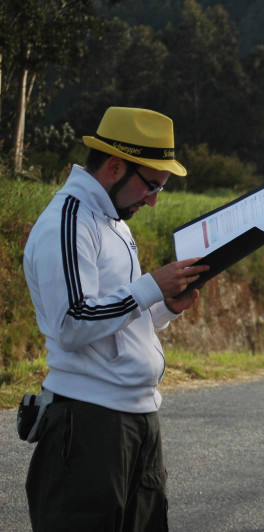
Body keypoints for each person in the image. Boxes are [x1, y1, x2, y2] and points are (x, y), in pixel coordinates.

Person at [23, 106, 208, 532]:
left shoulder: (113, 221)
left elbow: (114, 317)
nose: (154, 199)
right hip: (90, 423)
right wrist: (149, 287)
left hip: (136, 418)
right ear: (114, 167)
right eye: (152, 185)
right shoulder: (68, 222)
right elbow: (72, 323)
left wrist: (163, 307)